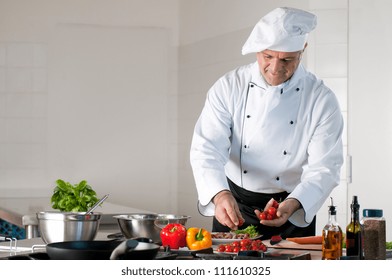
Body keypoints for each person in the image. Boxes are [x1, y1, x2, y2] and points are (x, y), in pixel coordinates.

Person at [189, 7, 344, 239]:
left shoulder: (321, 98)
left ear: (303, 50)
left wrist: (293, 203)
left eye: (286, 59)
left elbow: (325, 167)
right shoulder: (229, 87)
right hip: (234, 205)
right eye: (268, 56)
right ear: (257, 51)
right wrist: (219, 195)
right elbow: (206, 148)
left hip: (292, 208)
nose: (275, 68)